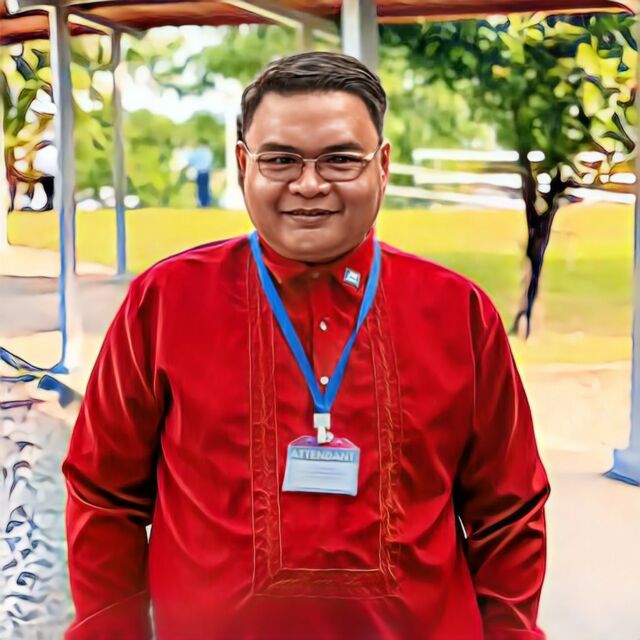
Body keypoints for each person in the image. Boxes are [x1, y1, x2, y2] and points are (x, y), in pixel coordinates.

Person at [62, 52, 549, 639]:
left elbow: (509, 512)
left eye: (340, 159)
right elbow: (103, 496)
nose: (310, 184)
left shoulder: (457, 312)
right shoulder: (164, 302)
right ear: (243, 165)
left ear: (382, 166)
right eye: (280, 160)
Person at [187, 141, 214, 207]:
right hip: (206, 172)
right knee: (206, 188)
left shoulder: (197, 151)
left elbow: (191, 161)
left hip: (199, 172)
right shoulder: (208, 151)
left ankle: (201, 203)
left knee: (200, 188)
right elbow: (210, 162)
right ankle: (206, 203)